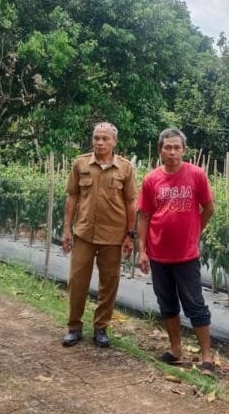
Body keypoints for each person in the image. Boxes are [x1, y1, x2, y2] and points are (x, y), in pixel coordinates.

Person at [137, 128, 216, 375]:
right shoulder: (151, 180)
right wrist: (142, 249)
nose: (172, 152)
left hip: (186, 255)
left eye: (177, 147)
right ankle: (175, 350)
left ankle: (206, 358)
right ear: (160, 150)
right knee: (167, 303)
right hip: (158, 254)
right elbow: (144, 215)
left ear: (184, 149)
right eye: (167, 147)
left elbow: (209, 208)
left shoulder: (196, 175)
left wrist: (195, 232)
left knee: (195, 304)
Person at [61, 122, 137, 348]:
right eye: (96, 138)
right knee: (77, 282)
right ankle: (74, 327)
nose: (100, 142)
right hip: (84, 233)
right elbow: (72, 197)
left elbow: (131, 202)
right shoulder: (80, 163)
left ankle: (101, 327)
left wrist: (129, 235)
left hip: (113, 237)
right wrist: (66, 229)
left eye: (105, 138)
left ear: (115, 142)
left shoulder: (125, 168)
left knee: (109, 284)